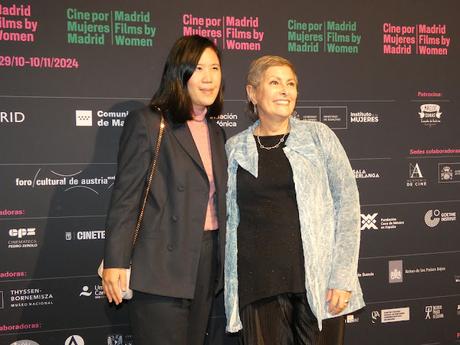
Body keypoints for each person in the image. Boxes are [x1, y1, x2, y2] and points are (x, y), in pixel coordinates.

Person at [224, 56, 365, 345]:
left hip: (317, 284)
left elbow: (347, 207)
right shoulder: (234, 148)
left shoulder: (318, 137)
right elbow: (228, 219)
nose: (285, 90)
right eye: (274, 82)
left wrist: (342, 278)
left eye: (291, 84)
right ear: (252, 93)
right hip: (257, 286)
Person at [102, 35, 228, 345]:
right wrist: (116, 261)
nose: (209, 77)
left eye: (215, 67)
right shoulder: (148, 123)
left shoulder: (216, 131)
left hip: (206, 260)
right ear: (179, 72)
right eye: (199, 68)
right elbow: (126, 198)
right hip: (160, 265)